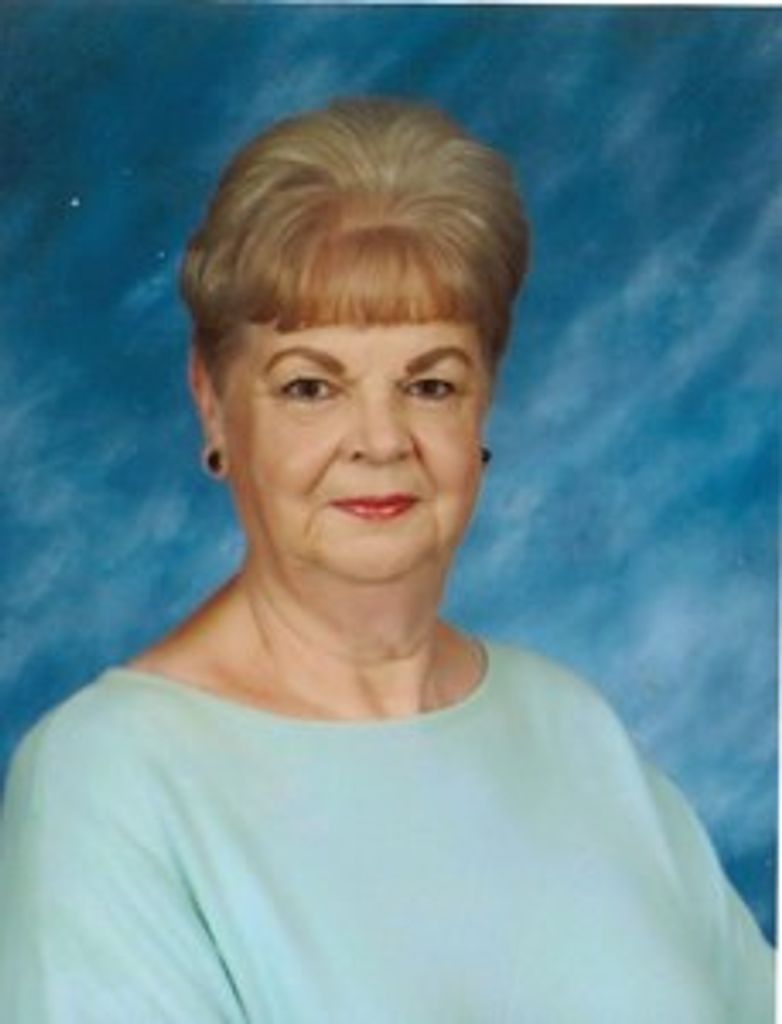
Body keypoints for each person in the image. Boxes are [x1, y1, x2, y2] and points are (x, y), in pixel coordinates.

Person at [0, 97, 772, 1022]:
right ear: (212, 402)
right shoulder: (110, 780)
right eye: (310, 387)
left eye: (430, 384)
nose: (380, 439)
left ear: (482, 404)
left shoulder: (570, 723)